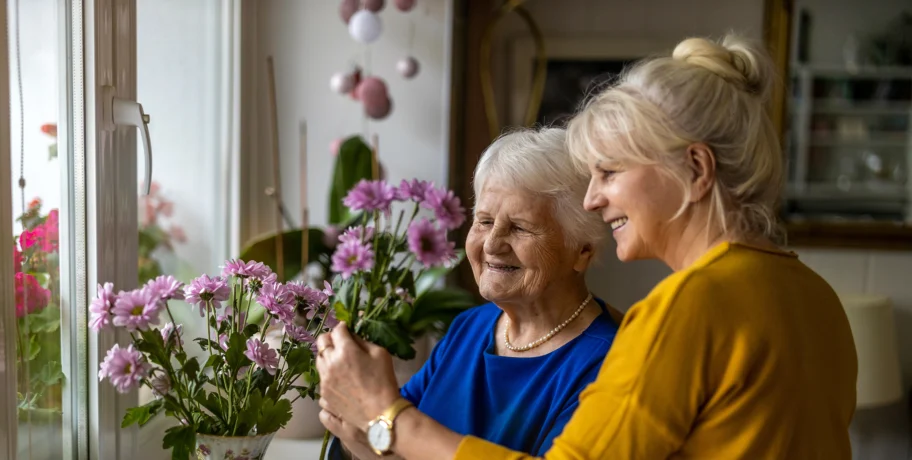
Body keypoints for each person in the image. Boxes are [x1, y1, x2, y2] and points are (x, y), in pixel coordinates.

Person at [315, 34, 858, 460]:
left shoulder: (685, 311)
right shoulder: (814, 294)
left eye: (610, 171)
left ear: (695, 169)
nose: (595, 199)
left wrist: (388, 415)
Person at [325, 127, 619, 459]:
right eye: (484, 221)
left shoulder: (608, 363)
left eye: (520, 227)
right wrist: (349, 419)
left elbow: (390, 423)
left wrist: (376, 413)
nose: (492, 244)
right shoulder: (470, 327)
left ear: (582, 251)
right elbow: (389, 444)